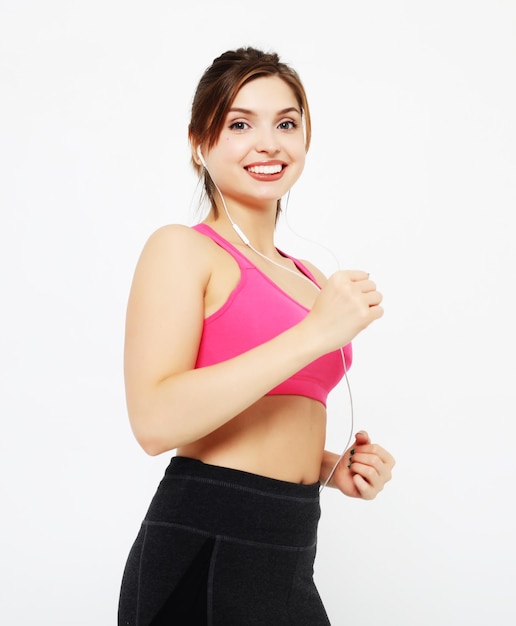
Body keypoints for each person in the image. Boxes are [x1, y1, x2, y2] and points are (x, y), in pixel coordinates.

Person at [118, 46, 395, 625]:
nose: (268, 142)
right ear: (200, 142)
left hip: (290, 537)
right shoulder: (183, 249)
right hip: (207, 537)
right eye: (240, 124)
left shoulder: (307, 276)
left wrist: (328, 468)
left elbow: (264, 418)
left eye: (286, 123)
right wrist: (316, 332)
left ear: (306, 141)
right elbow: (154, 421)